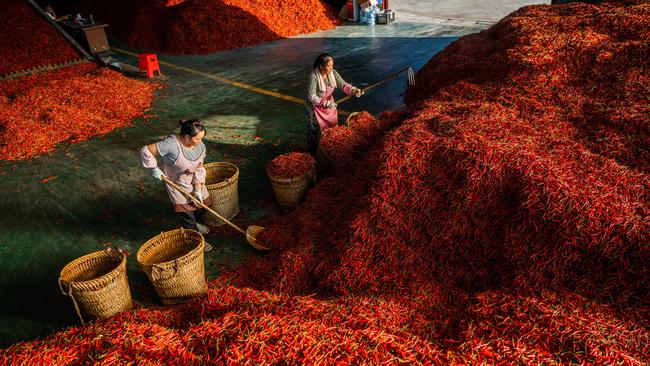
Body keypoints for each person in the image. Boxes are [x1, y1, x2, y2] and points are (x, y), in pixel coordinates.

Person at [140, 119, 213, 252]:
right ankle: (197, 241)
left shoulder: (200, 146)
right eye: (197, 138)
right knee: (187, 216)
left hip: (194, 180)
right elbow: (146, 150)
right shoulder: (171, 144)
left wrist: (197, 188)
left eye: (202, 137)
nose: (200, 141)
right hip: (177, 184)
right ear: (186, 137)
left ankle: (195, 224)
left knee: (204, 205)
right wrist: (154, 168)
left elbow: (199, 167)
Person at [305, 53, 362, 155]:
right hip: (314, 106)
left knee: (331, 130)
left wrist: (354, 90)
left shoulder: (333, 73)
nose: (331, 68)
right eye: (328, 66)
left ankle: (328, 150)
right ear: (321, 66)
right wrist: (324, 103)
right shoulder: (313, 77)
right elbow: (311, 96)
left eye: (332, 65)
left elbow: (343, 85)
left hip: (329, 105)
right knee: (313, 130)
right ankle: (311, 153)